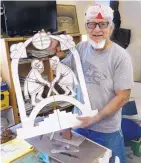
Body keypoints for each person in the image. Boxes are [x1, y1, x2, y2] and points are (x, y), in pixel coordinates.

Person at [60, 4, 134, 163]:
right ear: (86, 27)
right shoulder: (81, 47)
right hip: (79, 124)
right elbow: (64, 70)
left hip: (106, 131)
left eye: (103, 24)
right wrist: (55, 51)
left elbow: (123, 97)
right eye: (91, 24)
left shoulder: (121, 57)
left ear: (111, 28)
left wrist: (95, 118)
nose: (97, 30)